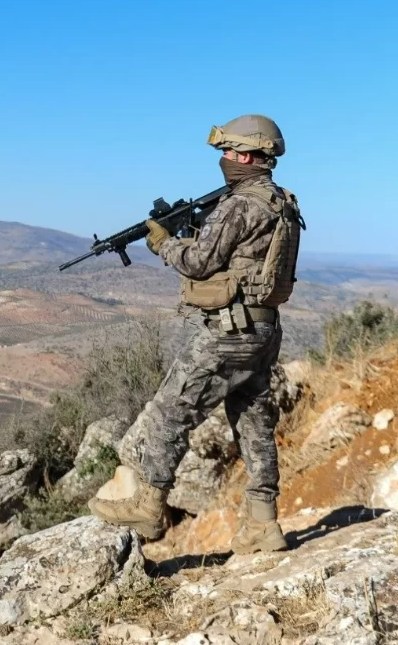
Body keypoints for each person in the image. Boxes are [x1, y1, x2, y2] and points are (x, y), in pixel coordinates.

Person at [88, 114, 303, 554]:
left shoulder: (239, 205)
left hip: (228, 332)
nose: (224, 160)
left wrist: (164, 243)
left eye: (228, 151)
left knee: (170, 410)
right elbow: (241, 257)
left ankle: (148, 506)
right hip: (264, 330)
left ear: (247, 154)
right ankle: (264, 523)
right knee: (254, 421)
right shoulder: (282, 202)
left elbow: (199, 263)